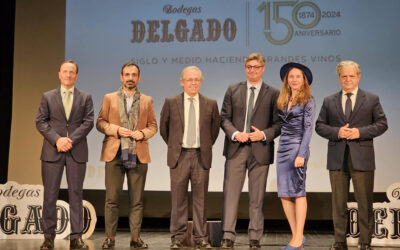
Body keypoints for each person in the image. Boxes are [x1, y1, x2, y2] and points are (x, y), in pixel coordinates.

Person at [315, 60, 388, 250]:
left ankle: (365, 242)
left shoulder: (371, 99)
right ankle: (340, 241)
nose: (348, 79)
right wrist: (337, 132)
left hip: (362, 158)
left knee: (364, 202)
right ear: (339, 78)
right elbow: (320, 126)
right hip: (337, 158)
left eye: (351, 76)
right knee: (338, 203)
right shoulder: (329, 100)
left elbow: (382, 124)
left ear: (359, 76)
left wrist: (360, 132)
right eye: (344, 76)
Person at [220, 52, 281, 249]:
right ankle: (228, 235)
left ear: (263, 69)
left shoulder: (273, 93)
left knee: (257, 197)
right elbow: (224, 118)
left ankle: (255, 236)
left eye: (256, 67)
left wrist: (262, 134)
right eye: (249, 67)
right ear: (245, 68)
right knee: (231, 195)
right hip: (236, 148)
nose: (252, 70)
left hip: (260, 150)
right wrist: (236, 133)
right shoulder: (233, 89)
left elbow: (278, 124)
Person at [96, 62, 157, 249]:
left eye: (134, 74)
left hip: (137, 153)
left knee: (136, 200)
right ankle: (110, 238)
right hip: (114, 152)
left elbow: (153, 126)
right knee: (112, 199)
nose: (130, 77)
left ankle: (135, 239)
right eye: (127, 74)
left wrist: (143, 134)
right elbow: (100, 123)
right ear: (121, 77)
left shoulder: (147, 100)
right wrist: (116, 130)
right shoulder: (109, 98)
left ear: (139, 78)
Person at [160, 66, 220, 249]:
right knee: (178, 199)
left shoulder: (210, 103)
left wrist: (204, 147)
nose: (193, 83)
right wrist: (176, 147)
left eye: (197, 79)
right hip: (180, 156)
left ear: (201, 82)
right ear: (182, 82)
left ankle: (201, 237)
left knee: (201, 199)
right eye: (189, 79)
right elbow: (164, 129)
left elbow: (214, 131)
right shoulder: (171, 102)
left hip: (201, 156)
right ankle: (177, 237)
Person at [36, 60, 94, 249]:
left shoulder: (85, 97)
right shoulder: (48, 96)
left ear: (76, 76)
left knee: (76, 194)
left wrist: (70, 140)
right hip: (53, 151)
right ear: (59, 74)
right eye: (65, 72)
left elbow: (88, 122)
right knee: (50, 195)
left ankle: (76, 237)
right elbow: (41, 122)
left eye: (72, 72)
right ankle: (48, 237)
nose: (68, 75)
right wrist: (57, 140)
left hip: (76, 151)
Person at [276, 62, 315, 250]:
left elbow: (308, 129)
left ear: (304, 79)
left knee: (298, 192)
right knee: (284, 193)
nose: (294, 79)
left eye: (298, 76)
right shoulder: (283, 98)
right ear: (287, 80)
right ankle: (296, 236)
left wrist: (301, 153)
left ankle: (299, 237)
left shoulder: (308, 99)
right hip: (282, 147)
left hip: (297, 147)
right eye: (291, 76)